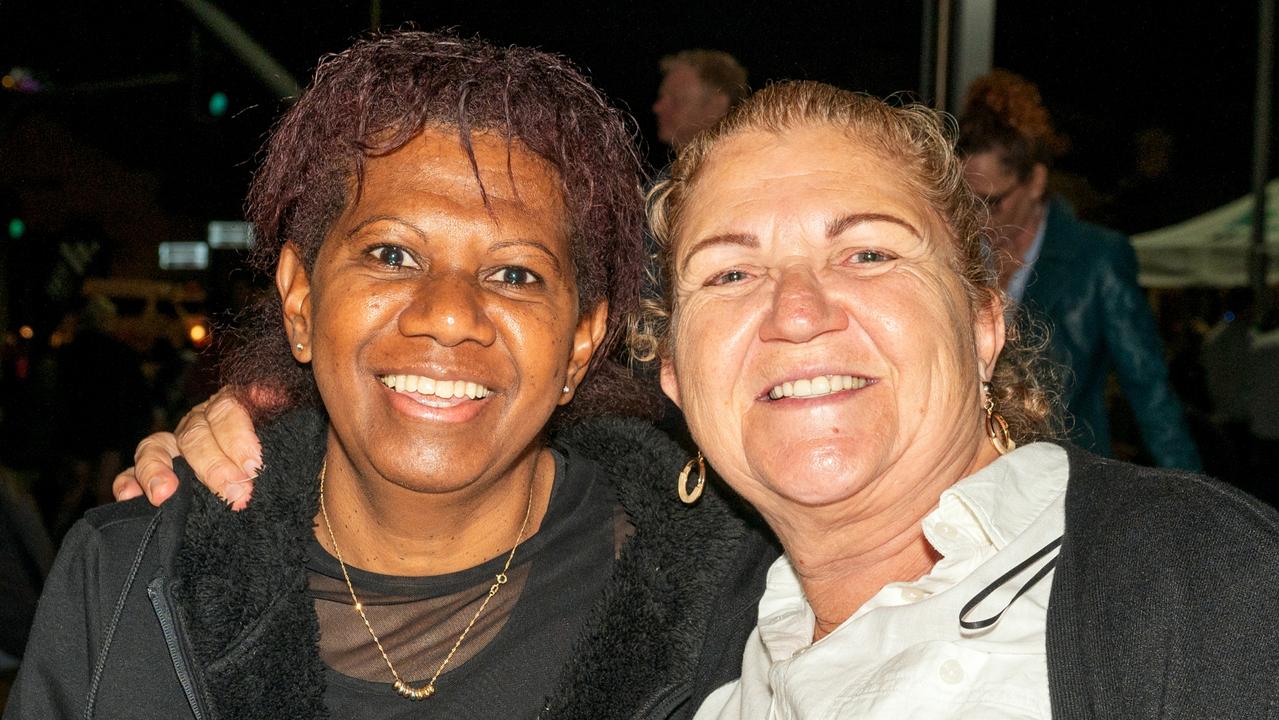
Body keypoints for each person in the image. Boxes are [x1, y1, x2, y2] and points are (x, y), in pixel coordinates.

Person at [121, 82, 1279, 717]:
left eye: (867, 254)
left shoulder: (1194, 588)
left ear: (983, 319)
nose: (795, 312)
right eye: (729, 273)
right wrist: (272, 433)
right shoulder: (697, 628)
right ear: (672, 371)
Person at [8, 31, 776, 720]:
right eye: (391, 255)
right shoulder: (129, 573)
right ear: (301, 301)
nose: (447, 315)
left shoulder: (732, 609)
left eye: (514, 273)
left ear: (582, 341)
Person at [957, 70, 1201, 470]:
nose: (978, 219)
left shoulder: (1097, 258)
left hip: (1065, 488)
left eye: (992, 202)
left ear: (1035, 181)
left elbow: (1151, 393)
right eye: (968, 202)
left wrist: (1197, 509)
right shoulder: (957, 255)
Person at [652, 50, 748, 153]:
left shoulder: (746, 163)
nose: (657, 108)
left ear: (717, 106)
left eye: (676, 100)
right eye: (661, 97)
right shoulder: (669, 168)